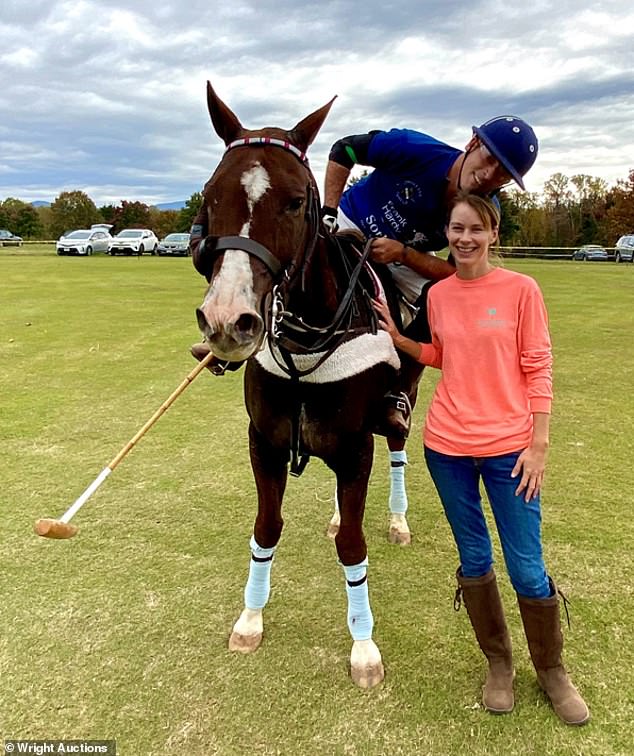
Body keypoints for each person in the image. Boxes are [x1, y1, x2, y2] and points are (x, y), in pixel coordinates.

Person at [373, 192, 589, 725]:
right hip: (446, 448)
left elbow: (538, 365)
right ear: (446, 232)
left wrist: (538, 444)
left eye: (475, 229)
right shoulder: (439, 294)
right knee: (474, 560)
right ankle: (499, 664)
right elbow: (443, 355)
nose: (464, 238)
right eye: (455, 228)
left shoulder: (521, 290)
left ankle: (552, 671)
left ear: (493, 233)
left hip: (510, 452)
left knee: (527, 568)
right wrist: (398, 337)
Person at [322, 115, 538, 536]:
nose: (491, 175)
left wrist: (402, 254)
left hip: (403, 258)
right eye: (491, 159)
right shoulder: (415, 149)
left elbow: (460, 270)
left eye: (504, 175)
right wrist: (329, 213)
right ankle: (235, 342)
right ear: (474, 141)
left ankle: (398, 393)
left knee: (436, 297)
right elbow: (344, 148)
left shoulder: (486, 208)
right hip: (351, 223)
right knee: (296, 267)